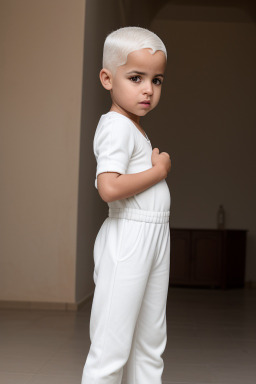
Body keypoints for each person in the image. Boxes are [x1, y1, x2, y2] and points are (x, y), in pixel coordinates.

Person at [81, 26, 172, 384]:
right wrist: (159, 170)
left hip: (153, 233)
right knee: (112, 344)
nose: (148, 89)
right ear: (107, 78)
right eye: (136, 77)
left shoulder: (134, 127)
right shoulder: (116, 126)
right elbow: (109, 187)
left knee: (150, 341)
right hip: (129, 235)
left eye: (157, 80)